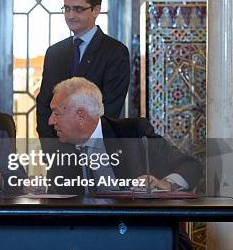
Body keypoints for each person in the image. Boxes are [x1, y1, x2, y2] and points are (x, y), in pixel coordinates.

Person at [45, 77, 202, 195]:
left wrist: (166, 184)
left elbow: (190, 166)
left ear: (81, 116)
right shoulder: (59, 147)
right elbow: (55, 197)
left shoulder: (132, 133)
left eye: (56, 113)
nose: (50, 121)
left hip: (138, 230)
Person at [36, 0, 130, 138]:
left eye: (78, 9)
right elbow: (44, 104)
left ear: (96, 10)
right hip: (58, 150)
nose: (70, 15)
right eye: (67, 8)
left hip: (97, 151)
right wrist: (50, 147)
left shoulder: (115, 52)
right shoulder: (55, 52)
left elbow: (109, 109)